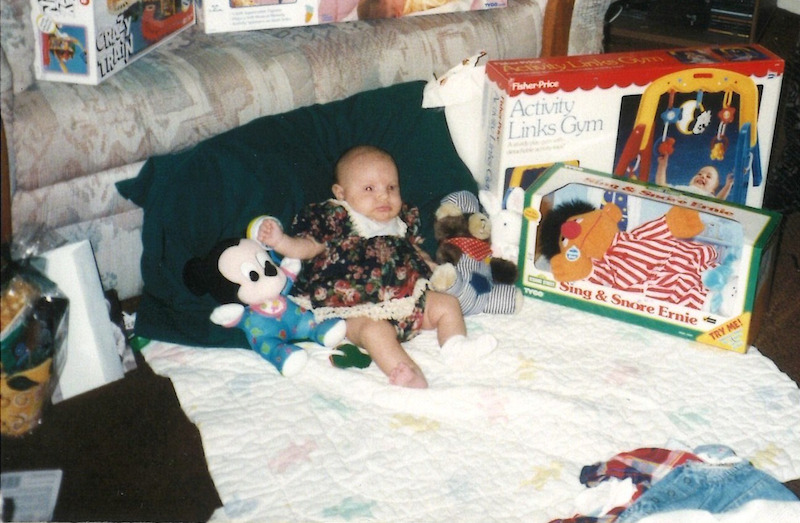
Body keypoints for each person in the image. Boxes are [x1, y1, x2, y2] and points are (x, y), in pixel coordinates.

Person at [255, 145, 496, 388]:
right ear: (341, 192)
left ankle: (455, 347)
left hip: (409, 301)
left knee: (447, 304)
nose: (383, 196)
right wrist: (280, 241)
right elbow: (309, 247)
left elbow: (415, 252)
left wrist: (431, 266)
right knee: (374, 333)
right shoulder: (334, 217)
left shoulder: (402, 223)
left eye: (391, 187)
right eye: (369, 188)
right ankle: (408, 374)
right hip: (354, 306)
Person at [655, 154, 734, 200]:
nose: (702, 176)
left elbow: (718, 201)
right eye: (699, 174)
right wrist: (662, 166)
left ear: (712, 191)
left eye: (708, 176)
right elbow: (661, 186)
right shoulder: (681, 188)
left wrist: (728, 185)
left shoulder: (707, 196)